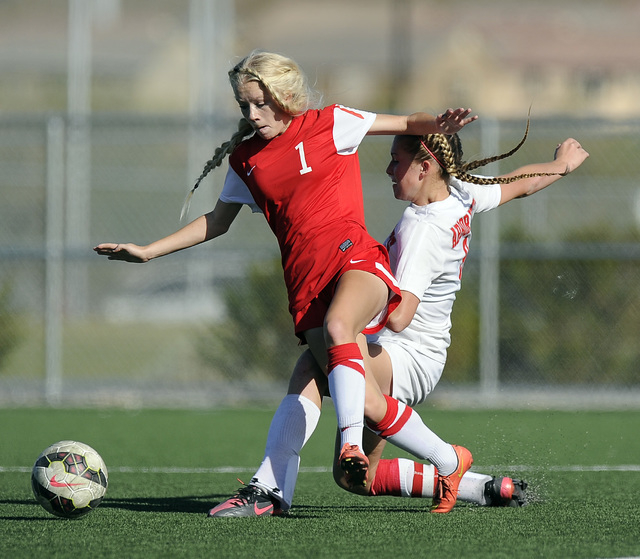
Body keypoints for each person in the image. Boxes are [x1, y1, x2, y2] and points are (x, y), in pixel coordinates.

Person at [93, 50, 478, 502]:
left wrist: (437, 123)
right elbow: (216, 222)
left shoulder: (332, 122)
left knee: (340, 326)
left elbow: (408, 123)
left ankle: (344, 447)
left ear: (287, 96)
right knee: (361, 398)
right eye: (244, 106)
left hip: (358, 261)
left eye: (261, 103)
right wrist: (148, 252)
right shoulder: (246, 160)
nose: (253, 115)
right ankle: (453, 466)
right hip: (306, 286)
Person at [207, 127, 589, 517]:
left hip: (407, 352)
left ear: (425, 168)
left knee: (316, 361)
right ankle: (482, 488)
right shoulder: (459, 191)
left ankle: (272, 489)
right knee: (355, 478)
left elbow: (401, 315)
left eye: (396, 161)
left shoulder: (421, 228)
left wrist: (352, 291)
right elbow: (516, 184)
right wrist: (561, 165)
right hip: (424, 350)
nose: (389, 169)